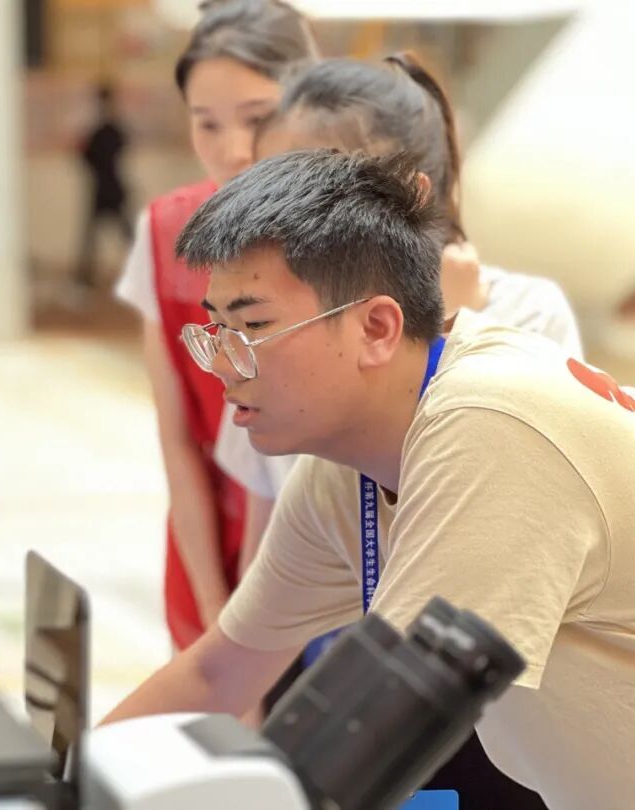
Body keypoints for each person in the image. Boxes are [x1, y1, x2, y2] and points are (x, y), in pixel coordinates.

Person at [104, 149, 635, 810]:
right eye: (214, 330)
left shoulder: (486, 424)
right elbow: (217, 672)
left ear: (376, 328)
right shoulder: (348, 466)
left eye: (251, 328)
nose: (223, 365)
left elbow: (364, 742)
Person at [218, 54, 583, 580]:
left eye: (311, 190)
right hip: (316, 642)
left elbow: (498, 507)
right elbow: (265, 538)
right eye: (267, 186)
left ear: (409, 195)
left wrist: (447, 330)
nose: (274, 218)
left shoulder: (523, 313)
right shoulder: (264, 330)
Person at [115, 0, 318, 650]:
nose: (233, 151)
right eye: (207, 125)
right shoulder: (167, 233)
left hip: (333, 561)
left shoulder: (349, 237)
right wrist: (213, 607)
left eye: (257, 121)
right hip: (216, 548)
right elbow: (178, 438)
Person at [75, 84, 133, 289]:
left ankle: (84, 278)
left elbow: (85, 156)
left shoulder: (104, 130)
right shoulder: (107, 129)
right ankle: (83, 278)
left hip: (106, 188)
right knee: (114, 237)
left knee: (102, 237)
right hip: (109, 188)